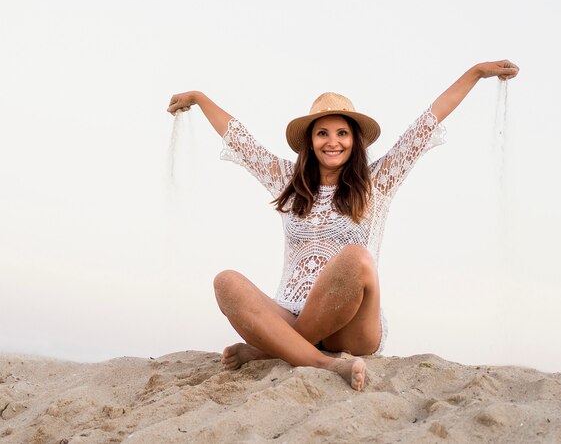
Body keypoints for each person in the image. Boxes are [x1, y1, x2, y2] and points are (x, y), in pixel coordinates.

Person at [167, 60, 519, 391]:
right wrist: (199, 98)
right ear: (310, 141)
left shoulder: (377, 180)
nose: (332, 142)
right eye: (322, 133)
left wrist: (475, 73)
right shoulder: (288, 183)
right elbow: (241, 141)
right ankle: (322, 362)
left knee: (356, 258)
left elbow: (425, 125)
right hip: (289, 312)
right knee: (226, 282)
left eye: (342, 133)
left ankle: (272, 350)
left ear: (355, 141)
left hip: (351, 329)